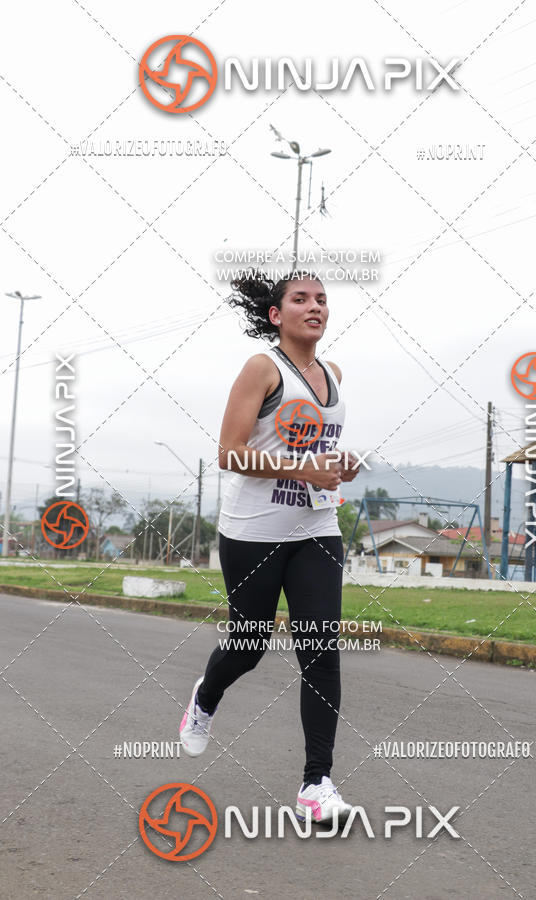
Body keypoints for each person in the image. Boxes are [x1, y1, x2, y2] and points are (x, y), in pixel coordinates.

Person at [179, 269, 360, 824]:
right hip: (253, 531)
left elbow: (316, 446)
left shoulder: (333, 372)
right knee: (248, 646)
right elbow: (230, 452)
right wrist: (304, 468)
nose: (316, 307)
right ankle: (206, 697)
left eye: (323, 300)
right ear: (276, 315)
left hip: (316, 529)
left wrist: (339, 467)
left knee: (321, 649)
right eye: (301, 299)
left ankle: (316, 785)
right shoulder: (262, 368)